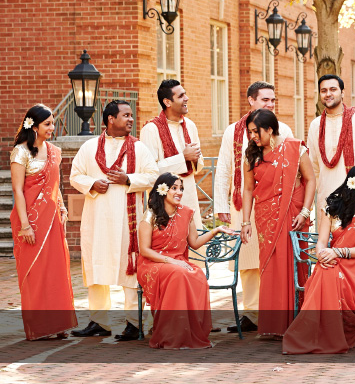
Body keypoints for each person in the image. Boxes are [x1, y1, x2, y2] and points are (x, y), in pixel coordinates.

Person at [70, 100, 159, 340]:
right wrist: (92, 183)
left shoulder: (139, 148)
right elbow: (75, 175)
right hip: (97, 220)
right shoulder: (89, 147)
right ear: (111, 119)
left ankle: (135, 322)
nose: (131, 119)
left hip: (126, 223)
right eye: (126, 115)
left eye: (131, 115)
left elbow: (153, 177)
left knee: (128, 270)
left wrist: (128, 179)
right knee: (96, 269)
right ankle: (99, 322)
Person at [282, 164, 355, 354]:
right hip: (334, 261)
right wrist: (321, 254)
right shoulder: (333, 209)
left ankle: (327, 337)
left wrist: (337, 253)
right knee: (326, 270)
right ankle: (317, 336)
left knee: (328, 274)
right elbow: (322, 241)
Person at [214, 81, 294, 334]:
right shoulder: (233, 132)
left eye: (272, 100)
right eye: (264, 100)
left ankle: (277, 312)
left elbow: (295, 171)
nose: (270, 104)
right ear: (251, 100)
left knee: (275, 258)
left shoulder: (284, 130)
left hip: (277, 205)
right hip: (243, 203)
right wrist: (221, 205)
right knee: (248, 259)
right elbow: (224, 168)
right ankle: (251, 312)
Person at [240, 109, 315, 337]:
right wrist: (245, 222)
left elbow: (311, 179)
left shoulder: (295, 148)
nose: (253, 136)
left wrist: (304, 211)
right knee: (271, 266)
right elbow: (249, 189)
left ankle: (298, 322)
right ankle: (274, 325)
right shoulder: (251, 155)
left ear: (270, 129)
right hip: (266, 219)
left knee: (294, 264)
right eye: (250, 131)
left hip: (293, 216)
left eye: (256, 131)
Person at [137, 173, 235, 349]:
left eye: (181, 188)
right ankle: (171, 335)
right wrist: (171, 261)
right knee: (179, 274)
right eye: (174, 188)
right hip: (153, 263)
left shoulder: (186, 213)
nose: (179, 192)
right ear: (162, 190)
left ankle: (190, 332)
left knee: (198, 276)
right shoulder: (150, 216)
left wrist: (215, 231)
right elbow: (144, 250)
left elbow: (195, 243)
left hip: (178, 262)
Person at [9, 105, 77, 340]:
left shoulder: (54, 152)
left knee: (56, 271)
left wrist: (62, 206)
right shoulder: (21, 152)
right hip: (30, 220)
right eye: (47, 123)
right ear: (33, 126)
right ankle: (39, 327)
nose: (52, 127)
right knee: (35, 273)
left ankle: (58, 325)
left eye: (52, 122)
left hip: (53, 220)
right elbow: (18, 190)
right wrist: (25, 225)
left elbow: (55, 185)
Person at [307, 74, 355, 212]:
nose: (328, 94)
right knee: (327, 234)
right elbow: (313, 167)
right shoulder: (315, 125)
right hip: (327, 201)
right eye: (323, 91)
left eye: (333, 89)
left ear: (342, 92)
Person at [140, 79, 204, 228]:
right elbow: (150, 172)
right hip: (164, 202)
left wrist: (194, 159)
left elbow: (198, 166)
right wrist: (183, 157)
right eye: (181, 96)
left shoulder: (190, 126)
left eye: (185, 94)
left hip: (190, 196)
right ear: (167, 102)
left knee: (193, 245)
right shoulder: (151, 129)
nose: (186, 98)